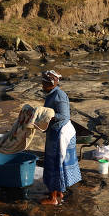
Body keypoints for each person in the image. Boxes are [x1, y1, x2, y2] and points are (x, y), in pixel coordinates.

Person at [40, 70, 82, 205]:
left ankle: (53, 199)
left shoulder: (59, 95)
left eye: (43, 82)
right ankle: (58, 192)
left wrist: (48, 115)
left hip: (61, 134)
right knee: (56, 162)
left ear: (49, 83)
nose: (41, 84)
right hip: (55, 132)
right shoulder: (51, 94)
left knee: (55, 164)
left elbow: (64, 116)